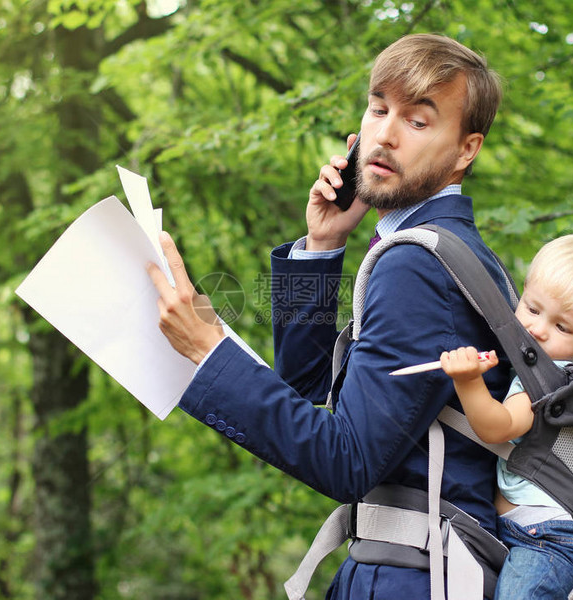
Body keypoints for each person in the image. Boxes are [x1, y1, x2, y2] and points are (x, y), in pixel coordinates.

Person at [149, 33, 508, 598]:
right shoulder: (438, 252)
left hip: (415, 578)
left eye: (418, 121)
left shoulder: (419, 264)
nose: (385, 134)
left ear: (466, 150)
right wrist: (321, 245)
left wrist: (206, 351)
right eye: (379, 107)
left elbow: (346, 461)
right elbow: (306, 387)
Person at [440, 234, 573, 600]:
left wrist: (468, 381)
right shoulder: (555, 373)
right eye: (532, 309)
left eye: (562, 327)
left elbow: (496, 426)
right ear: (522, 293)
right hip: (528, 534)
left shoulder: (546, 379)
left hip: (546, 541)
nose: (538, 329)